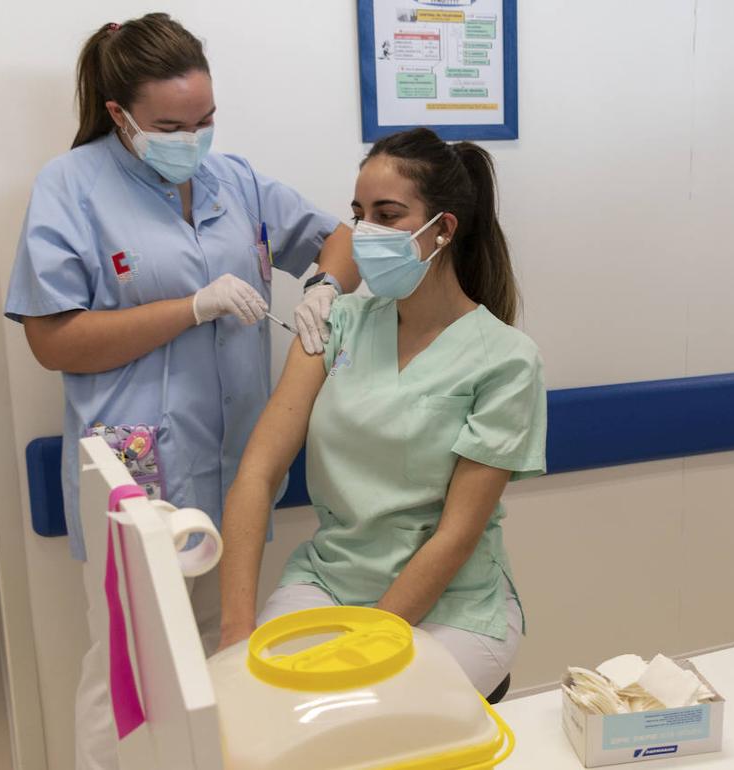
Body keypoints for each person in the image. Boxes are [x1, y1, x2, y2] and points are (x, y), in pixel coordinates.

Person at [2, 14, 359, 768]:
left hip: (235, 470)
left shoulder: (236, 182)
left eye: (205, 120)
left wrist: (326, 285)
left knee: (215, 653)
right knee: (129, 673)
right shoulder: (72, 188)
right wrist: (190, 307)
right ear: (119, 116)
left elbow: (342, 237)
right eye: (170, 124)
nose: (191, 139)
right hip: (135, 476)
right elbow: (51, 338)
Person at [218, 128, 546, 696]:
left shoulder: (506, 360)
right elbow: (259, 472)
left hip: (454, 604)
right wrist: (235, 631)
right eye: (358, 213)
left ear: (443, 228)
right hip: (329, 581)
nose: (363, 232)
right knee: (265, 704)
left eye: (387, 214)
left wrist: (362, 650)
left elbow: (456, 536)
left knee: (361, 713)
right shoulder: (335, 323)